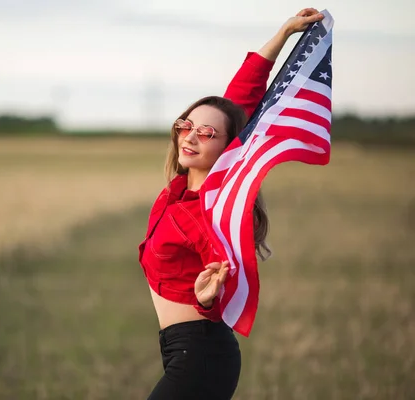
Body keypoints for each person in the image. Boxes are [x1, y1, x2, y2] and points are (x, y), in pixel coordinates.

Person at [138, 8, 325, 400]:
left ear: (228, 146)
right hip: (182, 350)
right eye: (185, 126)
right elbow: (239, 97)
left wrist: (209, 299)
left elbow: (226, 274)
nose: (190, 137)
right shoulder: (178, 191)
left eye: (205, 133)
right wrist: (283, 33)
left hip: (201, 352)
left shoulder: (215, 210)